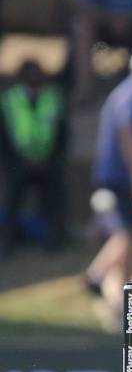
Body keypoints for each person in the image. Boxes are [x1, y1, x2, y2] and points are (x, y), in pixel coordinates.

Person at [85, 42, 132, 305]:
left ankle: (98, 276)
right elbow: (128, 133)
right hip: (121, 176)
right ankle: (121, 292)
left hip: (118, 175)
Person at [0, 60, 68, 255]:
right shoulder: (10, 99)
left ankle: (54, 240)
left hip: (48, 162)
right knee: (12, 202)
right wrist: (16, 161)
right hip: (18, 163)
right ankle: (8, 242)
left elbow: (61, 132)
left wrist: (51, 159)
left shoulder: (52, 97)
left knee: (55, 199)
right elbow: (5, 134)